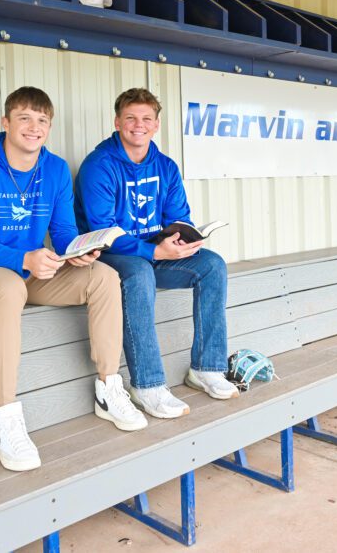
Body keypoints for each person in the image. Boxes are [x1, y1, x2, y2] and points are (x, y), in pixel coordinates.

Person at [0, 86, 147, 472]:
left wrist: (80, 251)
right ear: (6, 123)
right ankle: (5, 418)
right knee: (7, 287)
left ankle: (109, 389)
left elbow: (65, 232)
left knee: (102, 276)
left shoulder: (53, 170)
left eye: (42, 121)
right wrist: (24, 258)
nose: (33, 128)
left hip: (31, 271)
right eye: (24, 118)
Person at [74, 88, 238, 419]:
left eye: (146, 118)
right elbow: (103, 230)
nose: (139, 125)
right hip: (109, 256)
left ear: (156, 124)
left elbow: (178, 216)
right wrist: (154, 250)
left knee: (212, 266)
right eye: (131, 118)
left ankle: (206, 367)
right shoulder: (99, 166)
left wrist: (182, 240)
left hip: (154, 251)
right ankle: (147, 385)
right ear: (117, 121)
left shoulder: (165, 166)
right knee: (138, 272)